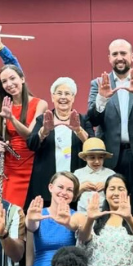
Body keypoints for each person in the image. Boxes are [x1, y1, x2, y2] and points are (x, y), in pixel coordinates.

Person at [87, 39, 133, 199]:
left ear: (132, 57)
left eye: (123, 53)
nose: (119, 57)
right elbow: (92, 119)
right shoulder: (98, 83)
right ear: (109, 58)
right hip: (110, 157)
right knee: (112, 205)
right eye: (115, 54)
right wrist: (102, 99)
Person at [19, 172, 87, 266]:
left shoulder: (78, 216)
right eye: (60, 187)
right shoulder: (39, 213)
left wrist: (66, 222)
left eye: (69, 190)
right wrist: (31, 219)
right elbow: (31, 227)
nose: (64, 192)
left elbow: (79, 230)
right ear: (51, 187)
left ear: (74, 195)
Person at [28, 77, 93, 206]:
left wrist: (78, 130)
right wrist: (44, 131)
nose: (63, 97)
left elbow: (92, 148)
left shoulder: (83, 120)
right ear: (52, 97)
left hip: (74, 185)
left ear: (73, 98)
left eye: (67, 93)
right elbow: (31, 144)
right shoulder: (44, 119)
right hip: (46, 183)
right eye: (59, 93)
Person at [0, 64, 48, 208]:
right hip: (11, 166)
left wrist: (12, 118)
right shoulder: (4, 104)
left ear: (22, 79)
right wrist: (1, 145)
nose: (9, 84)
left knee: (32, 211)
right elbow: (3, 135)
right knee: (11, 210)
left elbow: (31, 135)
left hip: (33, 164)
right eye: (4, 81)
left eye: (12, 78)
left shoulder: (40, 104)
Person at [73, 137, 116, 212]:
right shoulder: (78, 173)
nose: (97, 161)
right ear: (84, 158)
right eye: (92, 158)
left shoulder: (111, 174)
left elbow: (116, 195)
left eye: (100, 158)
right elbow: (71, 197)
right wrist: (81, 188)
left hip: (105, 213)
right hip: (83, 213)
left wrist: (108, 186)